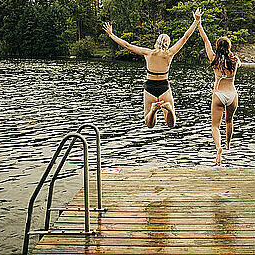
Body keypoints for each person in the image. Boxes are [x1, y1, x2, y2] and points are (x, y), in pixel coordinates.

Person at [102, 9, 202, 128]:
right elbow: (185, 37)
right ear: (167, 43)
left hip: (150, 87)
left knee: (149, 124)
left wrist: (111, 35)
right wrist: (196, 21)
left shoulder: (148, 53)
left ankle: (153, 110)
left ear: (157, 42)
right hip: (164, 87)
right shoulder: (170, 54)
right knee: (171, 124)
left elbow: (127, 45)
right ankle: (168, 109)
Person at [197, 16, 240, 165]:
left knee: (215, 126)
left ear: (218, 47)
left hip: (219, 95)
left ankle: (218, 148)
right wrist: (230, 53)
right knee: (229, 121)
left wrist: (199, 24)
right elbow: (234, 59)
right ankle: (228, 145)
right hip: (232, 94)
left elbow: (205, 41)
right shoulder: (234, 61)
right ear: (229, 47)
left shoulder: (214, 59)